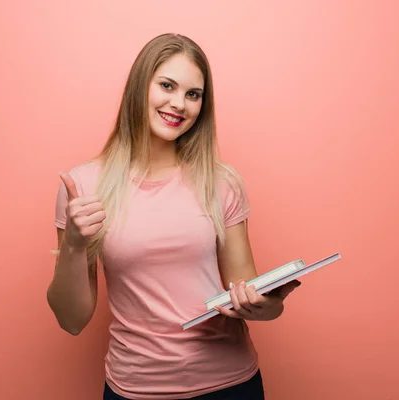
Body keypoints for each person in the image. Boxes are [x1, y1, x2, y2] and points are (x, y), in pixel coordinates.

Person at [47, 33, 302, 400]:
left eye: (193, 94)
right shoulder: (84, 185)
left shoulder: (222, 182)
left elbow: (245, 292)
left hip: (231, 386)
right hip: (136, 388)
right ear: (140, 86)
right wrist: (73, 244)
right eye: (166, 85)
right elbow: (71, 321)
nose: (179, 104)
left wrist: (266, 304)